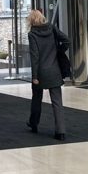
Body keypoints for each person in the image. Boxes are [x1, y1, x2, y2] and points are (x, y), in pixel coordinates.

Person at [26, 9, 69, 141]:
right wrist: (59, 51)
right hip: (54, 71)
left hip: (40, 72)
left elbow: (35, 56)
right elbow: (66, 40)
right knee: (57, 102)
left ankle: (34, 123)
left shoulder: (32, 34)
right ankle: (60, 131)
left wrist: (34, 77)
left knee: (36, 99)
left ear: (31, 21)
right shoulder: (51, 28)